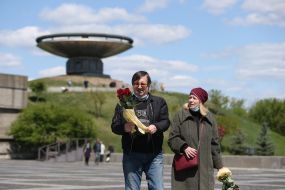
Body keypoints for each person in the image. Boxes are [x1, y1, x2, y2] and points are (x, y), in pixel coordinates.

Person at [111, 71, 170, 190]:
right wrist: (124, 128)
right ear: (132, 85)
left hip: (154, 155)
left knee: (158, 188)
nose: (139, 87)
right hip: (132, 155)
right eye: (136, 83)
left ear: (148, 85)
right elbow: (114, 125)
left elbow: (166, 122)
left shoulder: (159, 102)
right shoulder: (123, 103)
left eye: (143, 84)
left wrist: (156, 127)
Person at [168, 87, 224, 190]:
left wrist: (220, 167)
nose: (191, 100)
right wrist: (184, 147)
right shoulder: (180, 115)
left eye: (194, 98)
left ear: (201, 101)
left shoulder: (210, 118)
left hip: (205, 171)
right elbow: (172, 138)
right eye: (190, 97)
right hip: (185, 170)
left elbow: (214, 144)